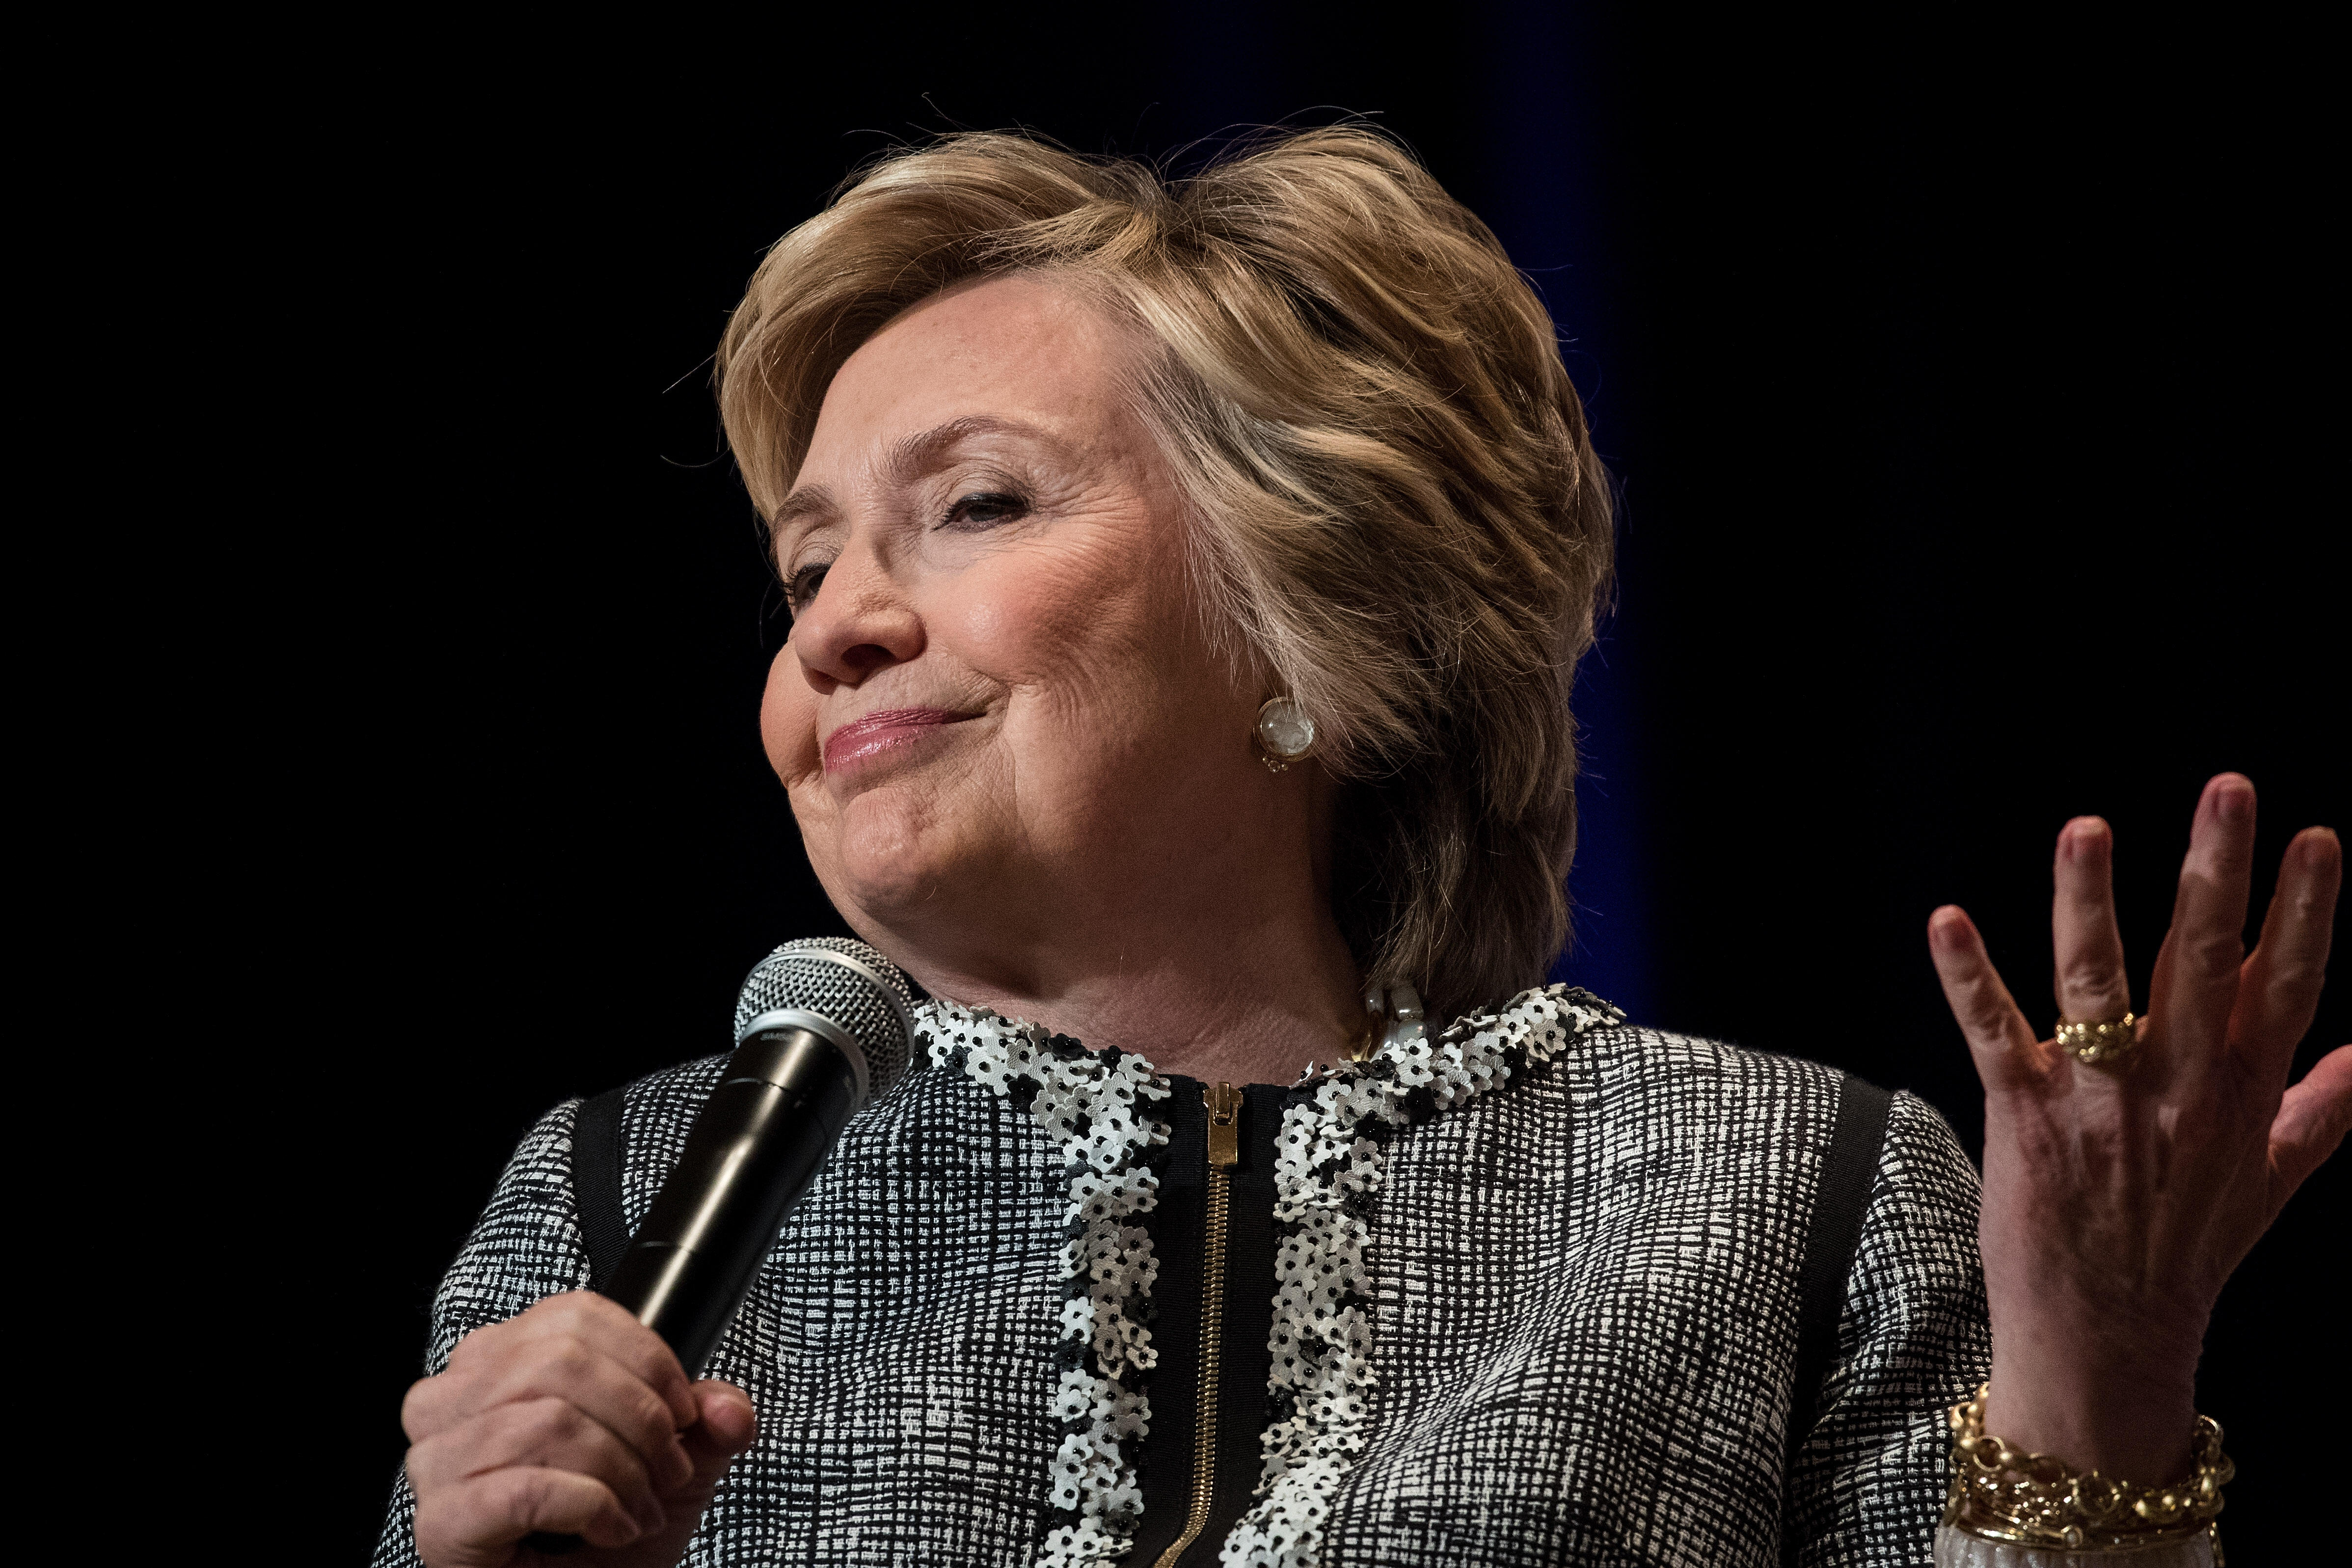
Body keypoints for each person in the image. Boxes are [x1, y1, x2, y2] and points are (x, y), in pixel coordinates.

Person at [376, 130, 2345, 1568]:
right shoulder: (618, 1199)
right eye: (806, 567)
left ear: (1311, 622)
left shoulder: (1779, 1197)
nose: (838, 623)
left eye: (974, 505)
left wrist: (2094, 1394)